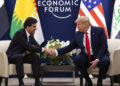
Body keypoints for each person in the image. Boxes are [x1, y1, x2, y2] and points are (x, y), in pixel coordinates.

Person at [45, 16, 110, 86]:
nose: (77, 26)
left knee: (105, 61)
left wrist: (97, 59)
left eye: (78, 24)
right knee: (77, 59)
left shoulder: (99, 31)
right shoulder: (77, 34)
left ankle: (99, 81)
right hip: (87, 56)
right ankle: (88, 80)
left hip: (100, 55)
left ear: (85, 24)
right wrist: (56, 52)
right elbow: (70, 47)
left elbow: (104, 47)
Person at [6, 17, 43, 86]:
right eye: (34, 27)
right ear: (27, 27)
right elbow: (29, 47)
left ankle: (37, 81)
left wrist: (44, 49)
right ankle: (21, 82)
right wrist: (42, 49)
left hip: (23, 56)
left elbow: (37, 46)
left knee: (35, 57)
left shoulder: (31, 35)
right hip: (12, 56)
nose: (36, 29)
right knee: (19, 57)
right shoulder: (19, 33)